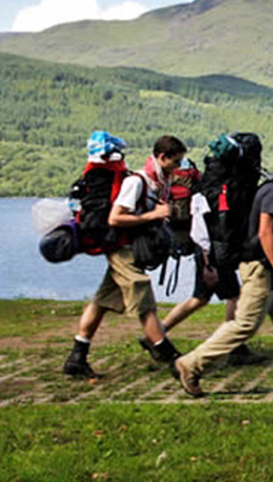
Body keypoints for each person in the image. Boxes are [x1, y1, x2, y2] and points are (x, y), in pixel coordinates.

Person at [175, 139, 273, 397]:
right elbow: (265, 233)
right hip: (261, 267)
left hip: (271, 264)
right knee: (244, 325)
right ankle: (190, 365)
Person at [63, 135, 187, 378]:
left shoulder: (157, 182)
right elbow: (115, 218)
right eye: (176, 161)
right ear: (162, 157)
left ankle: (77, 357)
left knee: (101, 301)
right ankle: (172, 359)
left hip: (128, 249)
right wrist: (152, 216)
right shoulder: (137, 182)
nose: (179, 167)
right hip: (122, 249)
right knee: (144, 301)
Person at [142, 185, 267, 367]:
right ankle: (234, 347)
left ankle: (155, 334)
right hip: (211, 254)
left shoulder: (204, 192)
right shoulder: (209, 195)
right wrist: (208, 263)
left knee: (199, 298)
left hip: (208, 253)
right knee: (234, 296)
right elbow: (200, 232)